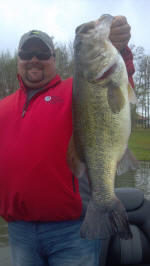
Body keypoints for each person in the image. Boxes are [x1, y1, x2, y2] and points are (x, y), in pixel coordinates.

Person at [0, 16, 134, 266]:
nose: (34, 59)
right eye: (26, 53)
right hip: (19, 232)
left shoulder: (75, 89)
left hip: (71, 231)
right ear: (18, 59)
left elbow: (115, 84)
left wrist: (120, 48)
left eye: (42, 52)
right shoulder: (2, 108)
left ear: (53, 59)